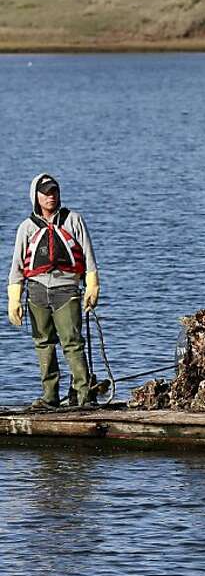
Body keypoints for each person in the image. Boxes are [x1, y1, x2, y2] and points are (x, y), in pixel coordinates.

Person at [7, 174, 101, 409]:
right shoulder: (26, 228)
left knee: (72, 343)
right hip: (36, 292)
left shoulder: (74, 220)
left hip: (67, 290)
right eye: (46, 192)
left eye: (54, 192)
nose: (51, 196)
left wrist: (92, 286)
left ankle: (83, 395)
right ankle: (50, 397)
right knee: (43, 343)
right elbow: (17, 266)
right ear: (36, 197)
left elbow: (88, 258)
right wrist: (14, 299)